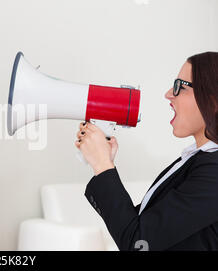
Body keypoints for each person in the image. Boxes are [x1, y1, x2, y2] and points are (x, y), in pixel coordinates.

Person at [75, 52, 218, 251]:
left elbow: (138, 243)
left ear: (213, 102)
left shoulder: (213, 171)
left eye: (180, 86)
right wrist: (105, 162)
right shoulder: (197, 160)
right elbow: (142, 226)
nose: (169, 94)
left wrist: (103, 166)